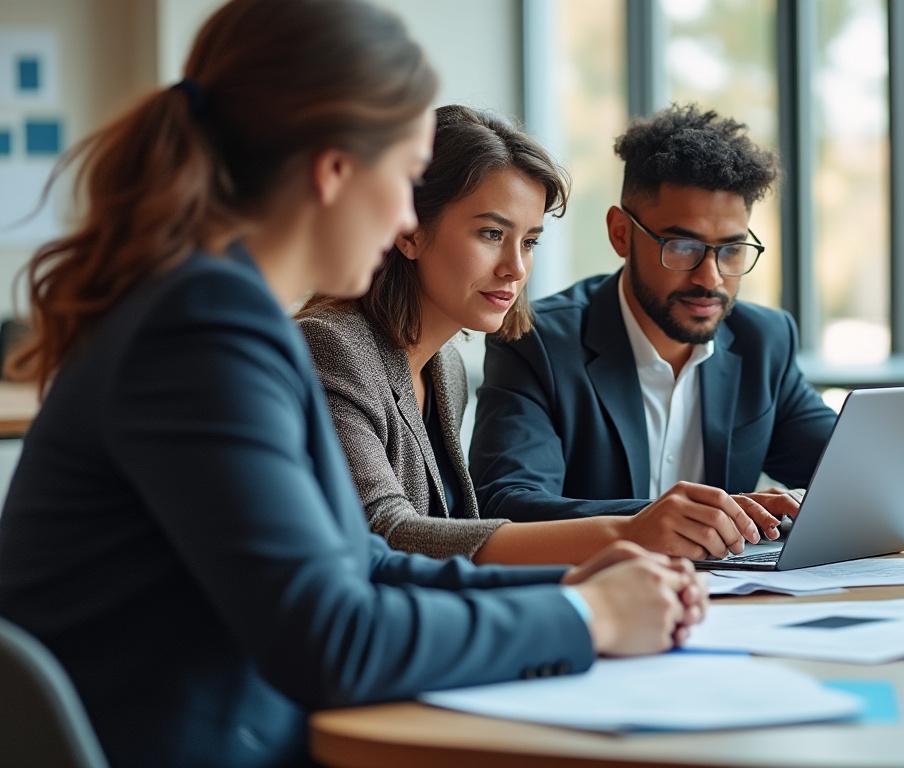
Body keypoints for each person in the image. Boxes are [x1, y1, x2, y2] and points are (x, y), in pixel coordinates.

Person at [0, 3, 702, 766]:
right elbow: (331, 639)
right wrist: (584, 616)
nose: (407, 215)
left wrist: (571, 586)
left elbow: (363, 566)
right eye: (405, 179)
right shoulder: (201, 330)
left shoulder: (227, 317)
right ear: (333, 172)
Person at [300, 104, 779, 564]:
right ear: (409, 231)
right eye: (491, 234)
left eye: (529, 242)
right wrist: (629, 531)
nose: (515, 268)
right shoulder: (331, 347)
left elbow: (456, 537)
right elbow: (386, 535)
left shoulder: (443, 368)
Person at [468, 104, 837, 560]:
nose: (711, 278)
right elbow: (507, 505)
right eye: (682, 247)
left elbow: (859, 474)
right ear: (621, 234)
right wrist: (663, 520)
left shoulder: (764, 340)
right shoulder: (539, 341)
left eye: (732, 250)